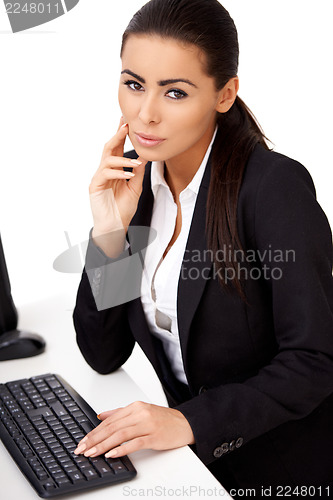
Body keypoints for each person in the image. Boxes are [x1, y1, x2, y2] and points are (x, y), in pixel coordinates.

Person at [73, 0, 333, 496]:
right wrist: (109, 235)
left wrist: (189, 423)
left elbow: (316, 359)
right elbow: (103, 353)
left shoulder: (273, 188)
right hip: (194, 472)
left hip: (288, 470)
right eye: (133, 84)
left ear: (225, 94)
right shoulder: (137, 181)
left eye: (175, 92)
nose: (145, 114)